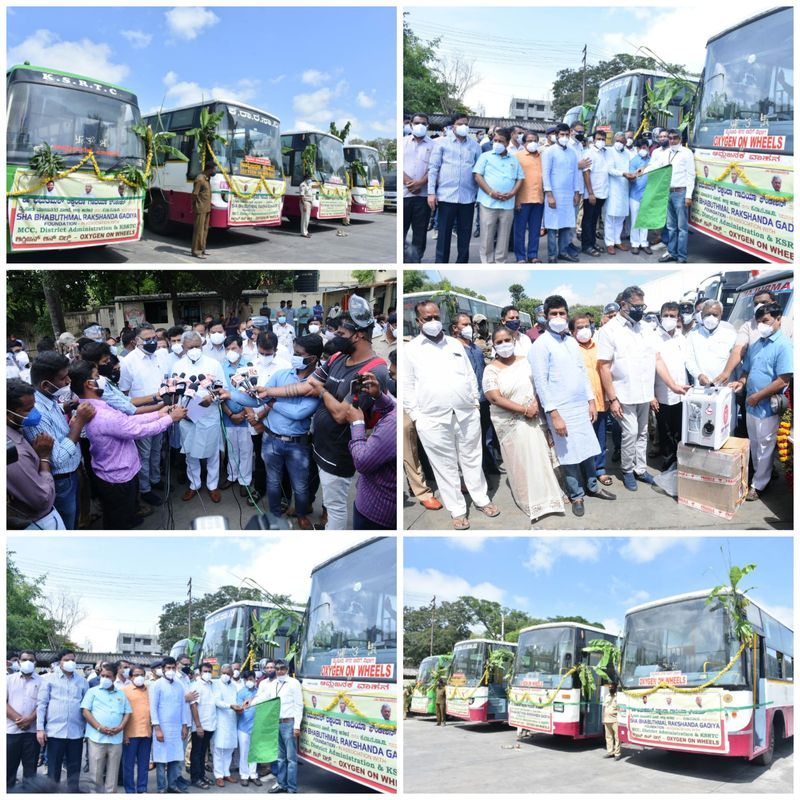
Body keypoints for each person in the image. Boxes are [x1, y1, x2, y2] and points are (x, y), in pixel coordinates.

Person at [404, 301, 498, 530]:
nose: (433, 322)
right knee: (444, 466)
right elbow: (407, 387)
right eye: (428, 318)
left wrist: (474, 403)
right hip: (432, 419)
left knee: (472, 458)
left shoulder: (455, 344)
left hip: (466, 413)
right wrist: (417, 417)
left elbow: (468, 375)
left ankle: (481, 499)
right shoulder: (411, 349)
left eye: (436, 316)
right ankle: (457, 510)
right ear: (419, 322)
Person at [69, 360, 186, 529]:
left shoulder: (96, 407)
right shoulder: (103, 415)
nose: (102, 379)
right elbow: (137, 431)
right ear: (89, 384)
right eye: (97, 376)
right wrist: (170, 418)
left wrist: (159, 414)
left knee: (122, 513)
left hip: (117, 472)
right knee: (118, 521)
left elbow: (127, 421)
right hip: (116, 478)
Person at [530, 296, 616, 517]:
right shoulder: (541, 345)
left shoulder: (570, 341)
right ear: (545, 316)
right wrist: (554, 414)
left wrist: (590, 402)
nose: (558, 318)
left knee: (587, 449)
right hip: (561, 410)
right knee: (568, 456)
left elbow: (582, 374)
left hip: (581, 406)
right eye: (553, 314)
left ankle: (593, 486)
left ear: (567, 315)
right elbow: (541, 382)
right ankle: (576, 494)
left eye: (562, 313)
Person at [597, 286, 687, 491]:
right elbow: (603, 366)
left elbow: (657, 358)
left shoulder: (646, 328)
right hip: (623, 393)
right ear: (624, 305)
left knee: (643, 433)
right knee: (630, 433)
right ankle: (627, 470)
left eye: (642, 306)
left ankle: (640, 469)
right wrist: (613, 399)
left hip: (644, 393)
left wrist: (672, 385)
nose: (640, 310)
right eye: (636, 306)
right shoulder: (609, 330)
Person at [483, 326, 565, 521]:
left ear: (513, 341)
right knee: (521, 462)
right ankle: (531, 501)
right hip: (511, 422)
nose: (504, 345)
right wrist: (524, 410)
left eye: (507, 340)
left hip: (535, 416)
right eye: (499, 342)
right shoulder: (490, 369)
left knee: (541, 456)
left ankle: (551, 496)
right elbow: (494, 398)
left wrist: (536, 403)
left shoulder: (527, 362)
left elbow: (539, 385)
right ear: (494, 346)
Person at [249, 335, 322, 528]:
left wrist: (272, 401)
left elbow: (299, 413)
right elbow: (261, 397)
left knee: (300, 485)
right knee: (273, 482)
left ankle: (301, 515)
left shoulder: (316, 384)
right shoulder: (281, 375)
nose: (294, 357)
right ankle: (274, 515)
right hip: (270, 439)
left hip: (297, 443)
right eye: (294, 352)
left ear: (312, 359)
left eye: (299, 354)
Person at [22, 352, 96, 529]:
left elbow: (53, 415)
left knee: (76, 512)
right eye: (63, 378)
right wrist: (79, 423)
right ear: (46, 385)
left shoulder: (48, 397)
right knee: (66, 522)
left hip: (73, 469)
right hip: (62, 479)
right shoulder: (35, 414)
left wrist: (67, 408)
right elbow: (57, 458)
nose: (69, 381)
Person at [728, 302, 793, 501]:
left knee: (765, 447)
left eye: (765, 321)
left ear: (778, 319)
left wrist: (758, 396)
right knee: (755, 444)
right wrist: (740, 382)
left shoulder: (783, 345)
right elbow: (747, 371)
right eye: (759, 322)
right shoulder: (757, 344)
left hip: (766, 407)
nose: (762, 325)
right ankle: (759, 475)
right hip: (751, 405)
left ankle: (759, 484)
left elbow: (783, 379)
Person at [118, 323, 169, 507]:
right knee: (144, 452)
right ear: (136, 340)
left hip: (161, 409)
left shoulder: (159, 356)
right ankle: (145, 488)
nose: (152, 342)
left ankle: (155, 479)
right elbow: (123, 392)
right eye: (147, 339)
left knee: (157, 448)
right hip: (141, 413)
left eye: (154, 338)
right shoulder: (128, 361)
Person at [172, 331, 226, 503]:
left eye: (198, 346)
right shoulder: (177, 366)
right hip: (187, 416)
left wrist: (211, 398)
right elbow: (174, 392)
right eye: (190, 347)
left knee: (212, 453)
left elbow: (221, 388)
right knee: (190, 453)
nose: (194, 350)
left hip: (209, 415)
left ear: (202, 346)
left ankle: (212, 485)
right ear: (183, 348)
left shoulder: (213, 364)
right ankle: (194, 484)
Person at [7, 380, 64, 529]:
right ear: (7, 414)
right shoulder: (14, 453)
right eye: (28, 409)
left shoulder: (15, 430)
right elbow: (41, 500)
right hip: (38, 522)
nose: (35, 413)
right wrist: (44, 458)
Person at [427, 112, 482, 263]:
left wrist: (478, 195)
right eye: (460, 123)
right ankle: (441, 262)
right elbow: (433, 168)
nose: (464, 126)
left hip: (467, 198)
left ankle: (462, 262)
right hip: (446, 197)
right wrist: (431, 193)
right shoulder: (441, 143)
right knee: (444, 235)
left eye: (466, 123)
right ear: (452, 126)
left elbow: (479, 172)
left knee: (464, 235)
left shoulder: (475, 146)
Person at [346, 370, 397, 529]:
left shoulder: (393, 424)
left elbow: (362, 462)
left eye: (393, 376)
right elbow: (393, 408)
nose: (389, 376)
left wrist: (357, 424)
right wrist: (379, 397)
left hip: (375, 513)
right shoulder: (397, 413)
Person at [247, 659, 302, 794]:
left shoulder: (294, 683)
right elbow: (264, 696)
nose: (279, 671)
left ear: (287, 669)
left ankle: (291, 788)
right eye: (277, 669)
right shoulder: (274, 684)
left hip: (289, 724)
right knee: (280, 758)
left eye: (282, 668)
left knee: (291, 759)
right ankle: (281, 784)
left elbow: (298, 705)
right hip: (275, 723)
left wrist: (297, 726)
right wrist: (250, 702)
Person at [37, 650, 88, 791]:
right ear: (60, 661)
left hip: (76, 732)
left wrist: (85, 729)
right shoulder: (48, 679)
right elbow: (41, 704)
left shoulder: (82, 681)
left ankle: (73, 792)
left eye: (72, 659)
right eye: (66, 659)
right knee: (53, 768)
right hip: (55, 732)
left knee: (74, 767)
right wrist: (40, 728)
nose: (70, 662)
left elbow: (86, 707)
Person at [472, 127, 525, 263]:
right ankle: (487, 262)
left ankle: (501, 261)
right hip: (488, 202)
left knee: (504, 235)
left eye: (500, 141)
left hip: (507, 203)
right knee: (487, 235)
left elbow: (520, 178)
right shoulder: (485, 157)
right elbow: (478, 176)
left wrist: (512, 193)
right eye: (495, 140)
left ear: (507, 143)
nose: (497, 143)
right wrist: (491, 192)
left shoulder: (513, 159)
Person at [571, 315, 612, 485]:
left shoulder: (600, 347)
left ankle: (600, 470)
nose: (584, 330)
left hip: (601, 401)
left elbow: (606, 372)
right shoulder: (570, 349)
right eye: (579, 327)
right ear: (572, 331)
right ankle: (586, 473)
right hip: (580, 405)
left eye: (586, 326)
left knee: (600, 438)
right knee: (582, 440)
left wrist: (609, 396)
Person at [220, 336, 261, 505]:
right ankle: (232, 475)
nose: (231, 352)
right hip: (228, 416)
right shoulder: (221, 368)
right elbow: (219, 393)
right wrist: (230, 414)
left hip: (246, 417)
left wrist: (243, 414)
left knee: (245, 450)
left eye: (234, 348)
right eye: (228, 349)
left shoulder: (250, 367)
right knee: (232, 449)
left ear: (241, 349)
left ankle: (245, 480)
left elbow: (252, 394)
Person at [81, 664, 132, 793]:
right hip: (96, 738)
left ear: (114, 677)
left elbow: (127, 712)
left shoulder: (121, 694)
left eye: (108, 676)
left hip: (116, 738)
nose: (104, 678)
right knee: (96, 772)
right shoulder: (92, 691)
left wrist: (121, 727)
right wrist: (99, 727)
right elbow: (85, 711)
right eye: (102, 676)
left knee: (113, 772)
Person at [714, 288, 779, 385]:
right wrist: (726, 373)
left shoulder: (786, 322)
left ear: (774, 303)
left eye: (764, 302)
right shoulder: (748, 326)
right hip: (754, 383)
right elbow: (738, 349)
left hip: (779, 382)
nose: (759, 306)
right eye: (756, 304)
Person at [650, 129, 695, 263]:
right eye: (670, 138)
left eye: (675, 138)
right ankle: (672, 253)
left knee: (682, 228)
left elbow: (690, 175)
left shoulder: (686, 153)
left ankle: (681, 256)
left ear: (680, 139)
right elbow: (656, 166)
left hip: (680, 193)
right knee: (671, 227)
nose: (672, 141)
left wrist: (688, 196)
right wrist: (642, 171)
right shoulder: (666, 153)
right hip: (668, 192)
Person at [654, 302, 688, 469]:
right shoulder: (654, 337)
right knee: (665, 431)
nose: (668, 319)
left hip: (682, 393)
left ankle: (680, 462)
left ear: (678, 318)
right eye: (665, 315)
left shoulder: (681, 338)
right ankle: (668, 464)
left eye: (672, 316)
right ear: (660, 317)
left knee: (680, 430)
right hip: (663, 394)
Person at [542, 122, 582, 263]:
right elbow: (545, 174)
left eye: (567, 134)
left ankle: (563, 252)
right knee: (553, 226)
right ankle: (552, 255)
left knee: (566, 224)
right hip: (554, 194)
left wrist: (576, 192)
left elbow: (575, 174)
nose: (564, 137)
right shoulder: (549, 151)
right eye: (562, 135)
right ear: (556, 136)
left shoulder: (572, 152)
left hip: (569, 194)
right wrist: (549, 194)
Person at [150, 657, 191, 794]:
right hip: (162, 728)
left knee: (175, 758)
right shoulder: (157, 685)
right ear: (162, 669)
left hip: (177, 727)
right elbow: (153, 708)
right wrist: (157, 728)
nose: (171, 670)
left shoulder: (179, 685)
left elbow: (183, 707)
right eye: (168, 668)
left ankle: (172, 785)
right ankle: (161, 788)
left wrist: (184, 726)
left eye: (173, 668)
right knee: (161, 760)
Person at [7, 650, 42, 790]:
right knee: (8, 770)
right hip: (10, 732)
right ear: (19, 661)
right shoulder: (8, 680)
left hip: (32, 733)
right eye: (24, 659)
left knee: (30, 772)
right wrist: (19, 720)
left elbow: (42, 704)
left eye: (30, 659)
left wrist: (30, 720)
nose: (27, 662)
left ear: (35, 663)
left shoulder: (42, 681)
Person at [403, 113, 435, 263]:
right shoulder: (402, 143)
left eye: (423, 123)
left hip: (423, 196)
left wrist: (420, 183)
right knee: (401, 231)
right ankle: (402, 258)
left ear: (427, 126)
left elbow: (435, 169)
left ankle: (415, 260)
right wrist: (410, 183)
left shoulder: (434, 145)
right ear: (411, 124)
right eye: (417, 123)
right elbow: (398, 166)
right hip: (404, 194)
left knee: (419, 233)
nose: (420, 125)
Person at [685, 300, 738, 386]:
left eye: (715, 315)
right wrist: (698, 375)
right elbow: (689, 360)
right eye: (707, 314)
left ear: (721, 315)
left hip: (725, 388)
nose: (711, 317)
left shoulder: (731, 335)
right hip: (701, 388)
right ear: (701, 315)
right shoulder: (693, 335)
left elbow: (737, 361)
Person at [513, 131, 545, 263]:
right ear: (524, 142)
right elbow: (514, 179)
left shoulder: (542, 156)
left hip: (538, 198)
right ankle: (520, 257)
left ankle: (533, 255)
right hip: (522, 199)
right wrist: (515, 199)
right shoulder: (517, 156)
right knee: (519, 231)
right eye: (529, 140)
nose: (532, 143)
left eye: (535, 140)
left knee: (535, 230)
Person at [121, 666, 151, 795]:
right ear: (130, 677)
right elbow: (121, 713)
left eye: (141, 674)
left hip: (146, 732)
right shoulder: (124, 691)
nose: (139, 677)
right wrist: (123, 733)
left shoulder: (149, 690)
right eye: (136, 675)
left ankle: (142, 788)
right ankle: (130, 790)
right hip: (130, 733)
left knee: (144, 764)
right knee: (128, 764)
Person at [580, 130, 610, 256]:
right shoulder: (589, 153)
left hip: (602, 192)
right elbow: (586, 173)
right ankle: (586, 245)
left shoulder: (605, 153)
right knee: (588, 220)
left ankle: (592, 243)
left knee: (594, 220)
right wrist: (591, 193)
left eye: (603, 139)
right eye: (598, 138)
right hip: (592, 194)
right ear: (593, 139)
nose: (601, 141)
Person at [188, 663, 216, 789]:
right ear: (200, 672)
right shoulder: (196, 685)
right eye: (205, 671)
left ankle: (202, 775)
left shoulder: (211, 685)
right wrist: (198, 726)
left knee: (203, 752)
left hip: (210, 725)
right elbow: (193, 705)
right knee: (196, 752)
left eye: (209, 670)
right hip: (200, 726)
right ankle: (195, 778)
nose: (207, 673)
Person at [211, 665, 240, 787]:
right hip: (220, 720)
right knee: (219, 749)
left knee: (229, 749)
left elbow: (237, 701)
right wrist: (230, 706)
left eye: (228, 673)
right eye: (224, 673)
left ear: (232, 674)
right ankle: (218, 775)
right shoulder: (215, 684)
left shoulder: (234, 686)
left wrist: (239, 707)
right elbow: (216, 701)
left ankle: (226, 773)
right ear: (220, 672)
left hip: (232, 720)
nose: (226, 675)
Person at [604, 132, 632, 254]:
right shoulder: (609, 151)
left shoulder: (628, 154)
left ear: (626, 143)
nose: (620, 143)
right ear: (614, 140)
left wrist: (632, 175)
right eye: (618, 141)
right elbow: (609, 169)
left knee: (621, 217)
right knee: (611, 216)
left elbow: (632, 168)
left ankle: (617, 240)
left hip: (625, 188)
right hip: (613, 187)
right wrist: (623, 174)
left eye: (622, 141)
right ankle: (609, 242)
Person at [235, 671, 261, 787]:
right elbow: (238, 710)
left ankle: (253, 774)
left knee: (254, 752)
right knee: (244, 752)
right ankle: (244, 775)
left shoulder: (260, 692)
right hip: (243, 727)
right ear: (244, 681)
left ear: (255, 679)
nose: (249, 681)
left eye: (251, 679)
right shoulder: (241, 693)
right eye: (247, 680)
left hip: (256, 726)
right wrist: (243, 706)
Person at [627, 137, 653, 255]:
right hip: (635, 195)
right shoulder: (633, 161)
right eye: (640, 148)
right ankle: (635, 243)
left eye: (645, 147)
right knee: (635, 220)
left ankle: (644, 243)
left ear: (648, 148)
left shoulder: (652, 160)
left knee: (645, 220)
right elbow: (630, 178)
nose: (643, 149)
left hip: (647, 195)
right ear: (637, 149)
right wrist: (634, 175)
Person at [191, 164, 215, 258]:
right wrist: (194, 206)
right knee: (199, 231)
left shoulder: (207, 179)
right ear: (209, 169)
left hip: (206, 208)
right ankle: (196, 251)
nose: (214, 171)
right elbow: (194, 194)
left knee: (205, 230)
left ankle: (202, 249)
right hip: (200, 208)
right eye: (214, 169)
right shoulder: (200, 179)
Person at [603, 684, 621, 760]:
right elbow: (604, 707)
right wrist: (603, 718)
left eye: (612, 687)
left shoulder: (619, 697)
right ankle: (610, 752)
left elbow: (621, 708)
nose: (610, 688)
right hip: (607, 720)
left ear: (615, 688)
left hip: (615, 720)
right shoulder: (607, 696)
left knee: (617, 738)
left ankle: (617, 754)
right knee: (608, 737)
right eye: (609, 687)